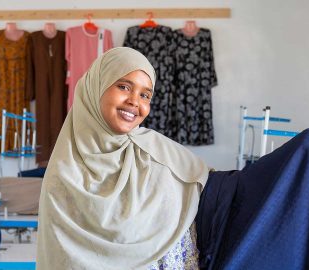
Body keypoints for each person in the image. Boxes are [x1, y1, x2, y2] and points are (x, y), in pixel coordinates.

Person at [36, 47, 209, 269]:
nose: (135, 101)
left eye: (145, 95)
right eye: (124, 86)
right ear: (96, 88)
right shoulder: (62, 175)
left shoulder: (159, 154)